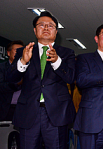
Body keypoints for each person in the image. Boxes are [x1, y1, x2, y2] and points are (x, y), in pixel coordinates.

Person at [6, 11, 76, 148]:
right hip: (28, 113)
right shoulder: (24, 52)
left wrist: (57, 62)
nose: (45, 28)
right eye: (41, 25)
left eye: (50, 26)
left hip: (57, 113)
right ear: (34, 30)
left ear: (56, 31)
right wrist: (23, 62)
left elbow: (71, 77)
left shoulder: (66, 53)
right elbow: (11, 78)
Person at [0, 40, 24, 121]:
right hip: (5, 109)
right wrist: (17, 83)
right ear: (8, 53)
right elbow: (1, 86)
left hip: (23, 110)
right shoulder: (1, 68)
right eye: (16, 51)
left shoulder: (28, 69)